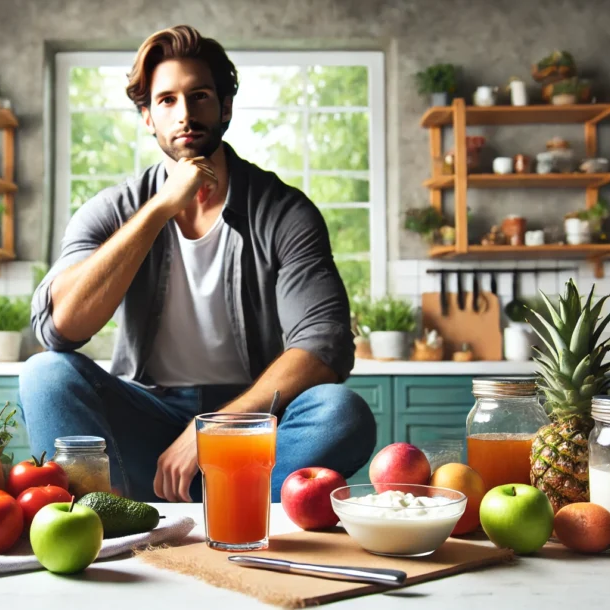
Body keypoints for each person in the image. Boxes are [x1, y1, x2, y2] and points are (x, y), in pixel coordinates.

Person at [21, 25, 375, 503]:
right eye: (166, 100)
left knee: (341, 411)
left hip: (250, 431)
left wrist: (213, 428)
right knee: (45, 375)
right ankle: (116, 517)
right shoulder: (114, 209)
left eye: (200, 95)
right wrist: (160, 208)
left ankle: (225, 500)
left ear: (225, 107)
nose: (185, 113)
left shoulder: (284, 211)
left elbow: (324, 345)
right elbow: (59, 329)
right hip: (150, 418)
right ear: (147, 116)